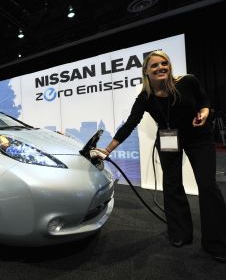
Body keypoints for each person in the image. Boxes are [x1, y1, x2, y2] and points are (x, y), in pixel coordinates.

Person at [96, 50, 226, 263]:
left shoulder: (188, 82)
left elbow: (204, 101)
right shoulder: (145, 97)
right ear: (146, 71)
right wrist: (107, 150)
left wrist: (204, 112)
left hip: (198, 138)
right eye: (154, 65)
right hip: (168, 140)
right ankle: (180, 234)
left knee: (207, 186)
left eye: (164, 63)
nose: (160, 68)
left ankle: (217, 243)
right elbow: (130, 124)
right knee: (172, 185)